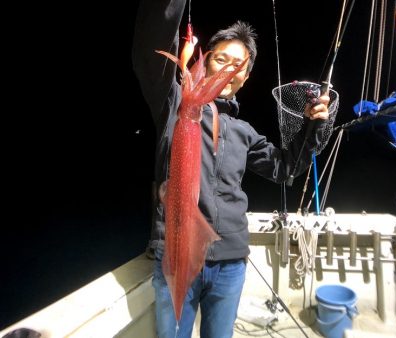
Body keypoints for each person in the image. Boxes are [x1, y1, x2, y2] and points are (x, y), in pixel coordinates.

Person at [132, 0, 331, 337]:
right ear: (204, 62)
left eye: (238, 65)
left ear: (246, 77)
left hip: (230, 264)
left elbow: (286, 168)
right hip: (177, 256)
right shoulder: (175, 103)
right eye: (220, 59)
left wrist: (312, 128)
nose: (228, 70)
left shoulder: (244, 132)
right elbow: (149, 57)